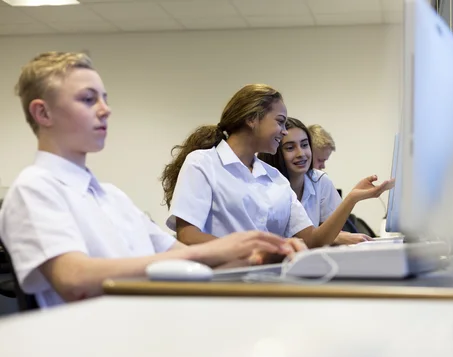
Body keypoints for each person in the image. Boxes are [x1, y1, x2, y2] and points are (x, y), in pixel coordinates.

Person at [0, 52, 299, 308]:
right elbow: (73, 278)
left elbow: (186, 262)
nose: (106, 109)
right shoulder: (34, 188)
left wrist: (262, 254)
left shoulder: (112, 197)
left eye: (104, 99)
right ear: (43, 112)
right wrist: (220, 248)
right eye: (88, 99)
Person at [161, 84, 393, 249]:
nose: (283, 131)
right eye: (280, 122)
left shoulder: (274, 178)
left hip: (268, 282)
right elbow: (188, 235)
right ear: (253, 119)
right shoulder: (203, 163)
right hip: (221, 282)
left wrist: (352, 198)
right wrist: (251, 250)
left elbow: (314, 240)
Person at [258, 117, 380, 245]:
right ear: (274, 152)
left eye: (305, 145)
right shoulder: (266, 186)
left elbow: (328, 233)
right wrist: (351, 199)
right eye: (290, 148)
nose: (301, 153)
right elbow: (309, 240)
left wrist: (352, 198)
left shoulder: (320, 180)